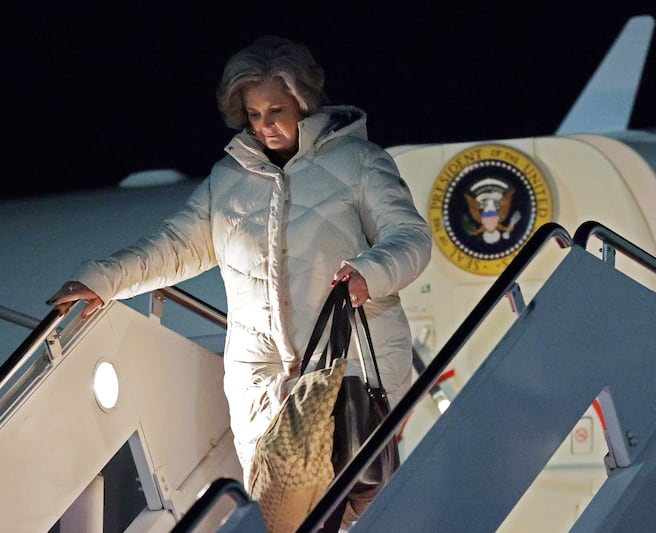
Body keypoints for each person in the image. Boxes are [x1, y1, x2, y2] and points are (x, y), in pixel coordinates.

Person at [47, 34, 432, 524]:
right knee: (283, 514)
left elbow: (412, 237)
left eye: (276, 110)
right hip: (260, 378)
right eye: (253, 115)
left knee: (349, 506)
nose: (266, 125)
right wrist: (101, 280)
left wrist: (369, 272)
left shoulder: (358, 162)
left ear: (304, 102)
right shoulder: (228, 180)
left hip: (347, 362)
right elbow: (174, 245)